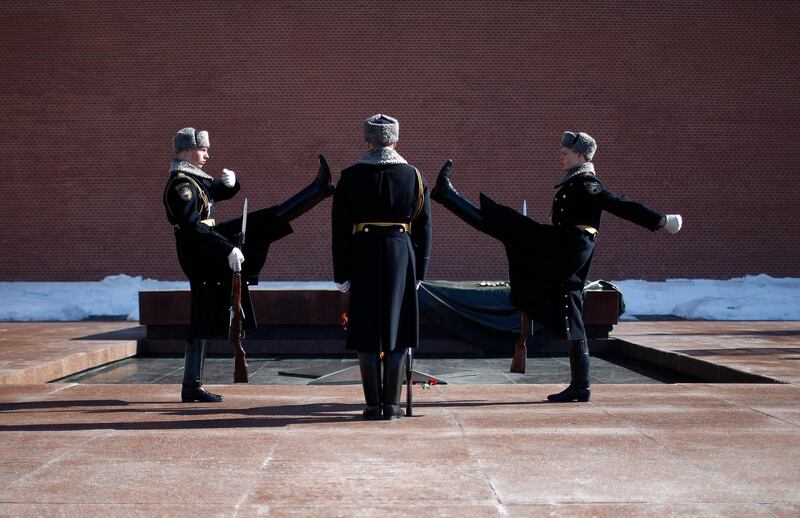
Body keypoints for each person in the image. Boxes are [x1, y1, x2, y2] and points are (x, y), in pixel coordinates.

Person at [431, 131, 682, 402]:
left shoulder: (587, 183)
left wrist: (659, 220)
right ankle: (581, 385)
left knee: (511, 226)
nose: (561, 157)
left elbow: (619, 204)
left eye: (565, 153)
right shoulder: (573, 183)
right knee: (569, 306)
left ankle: (448, 195)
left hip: (570, 247)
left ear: (581, 155)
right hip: (566, 247)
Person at [164, 127, 334, 402]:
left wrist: (231, 185)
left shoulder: (193, 181)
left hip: (207, 246)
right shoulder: (180, 186)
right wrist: (227, 248)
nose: (207, 154)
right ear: (185, 151)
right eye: (202, 149)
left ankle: (318, 190)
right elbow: (192, 228)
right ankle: (191, 386)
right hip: (200, 253)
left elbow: (215, 192)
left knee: (262, 223)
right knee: (200, 318)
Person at [331, 114, 432, 419]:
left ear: (367, 139)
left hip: (363, 253)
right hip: (401, 254)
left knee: (365, 329)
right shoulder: (413, 176)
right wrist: (420, 271)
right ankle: (392, 404)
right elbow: (424, 227)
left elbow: (339, 227)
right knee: (398, 330)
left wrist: (341, 272)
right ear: (395, 139)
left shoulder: (350, 176)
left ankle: (372, 405)